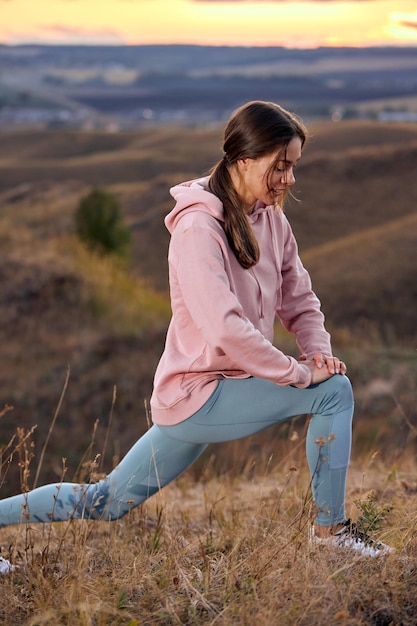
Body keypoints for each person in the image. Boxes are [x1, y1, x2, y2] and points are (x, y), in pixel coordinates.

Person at [0, 100, 392, 559]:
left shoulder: (272, 219)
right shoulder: (197, 228)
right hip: (198, 394)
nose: (289, 179)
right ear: (243, 160)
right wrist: (300, 374)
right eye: (280, 166)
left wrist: (318, 352)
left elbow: (299, 299)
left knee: (107, 501)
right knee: (333, 393)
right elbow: (224, 328)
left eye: (293, 167)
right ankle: (331, 537)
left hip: (229, 385)